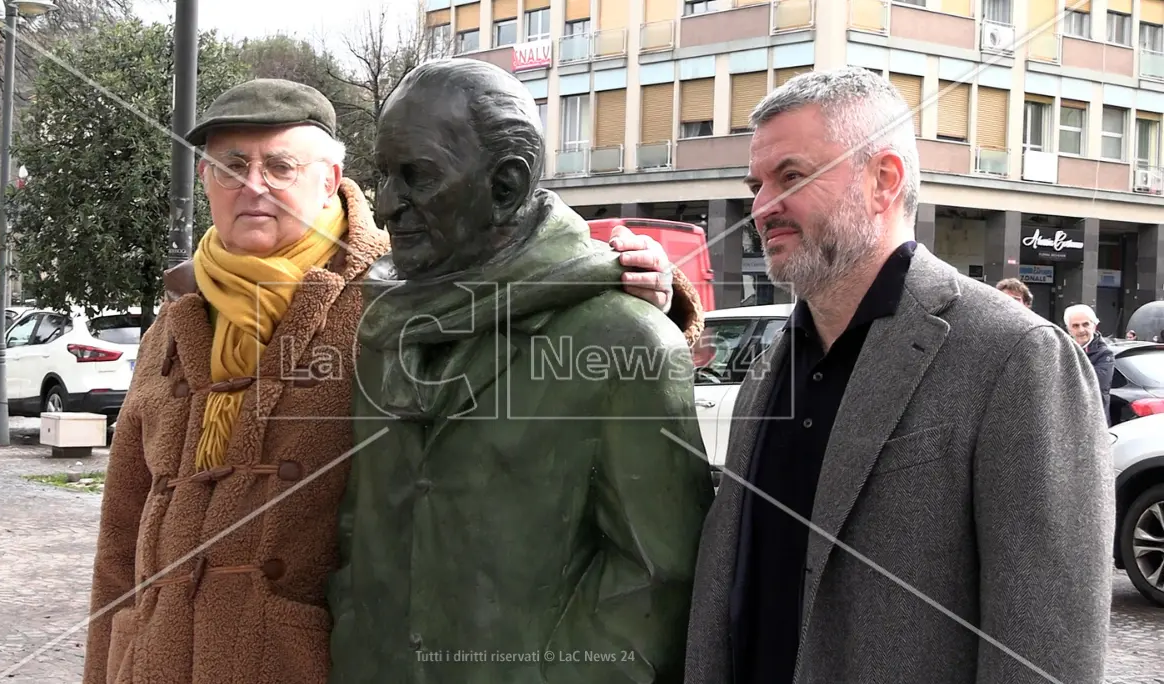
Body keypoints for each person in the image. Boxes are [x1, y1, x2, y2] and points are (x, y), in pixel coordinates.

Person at [83, 78, 698, 684]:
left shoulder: (391, 291)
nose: (252, 186)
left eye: (279, 166)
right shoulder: (176, 319)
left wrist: (650, 289)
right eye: (230, 165)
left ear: (329, 178)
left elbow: (519, 290)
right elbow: (121, 535)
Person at [684, 67, 1113, 684]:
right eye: (756, 184)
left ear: (883, 180)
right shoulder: (768, 368)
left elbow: (1045, 652)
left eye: (792, 177)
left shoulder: (1017, 356)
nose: (760, 208)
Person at [326, 58, 715, 684]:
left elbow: (656, 576)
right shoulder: (383, 323)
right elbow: (361, 518)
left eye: (416, 177)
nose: (387, 204)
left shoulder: (624, 340)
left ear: (505, 186)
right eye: (383, 175)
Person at [1065, 303, 1114, 424]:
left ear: (1094, 326)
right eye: (1075, 326)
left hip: (1093, 423)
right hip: (1067, 421)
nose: (1081, 330)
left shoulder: (1105, 353)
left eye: (1085, 324)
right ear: (1069, 330)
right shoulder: (1062, 349)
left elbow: (1092, 383)